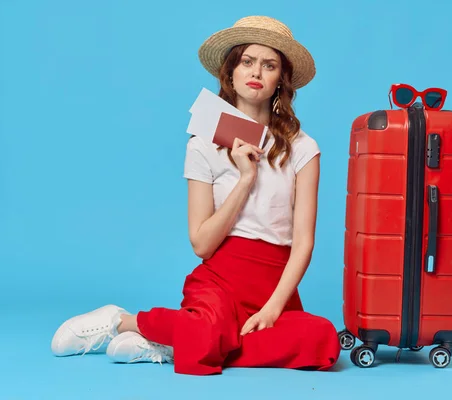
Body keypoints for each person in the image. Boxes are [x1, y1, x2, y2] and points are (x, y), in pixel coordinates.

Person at [50, 15, 341, 376]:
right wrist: (245, 178)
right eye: (246, 61)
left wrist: (273, 307)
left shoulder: (302, 148)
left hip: (275, 286)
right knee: (208, 330)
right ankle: (122, 321)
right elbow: (202, 244)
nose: (256, 72)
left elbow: (303, 242)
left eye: (269, 65)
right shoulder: (203, 146)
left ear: (281, 80)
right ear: (230, 72)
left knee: (323, 340)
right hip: (221, 283)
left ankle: (174, 342)